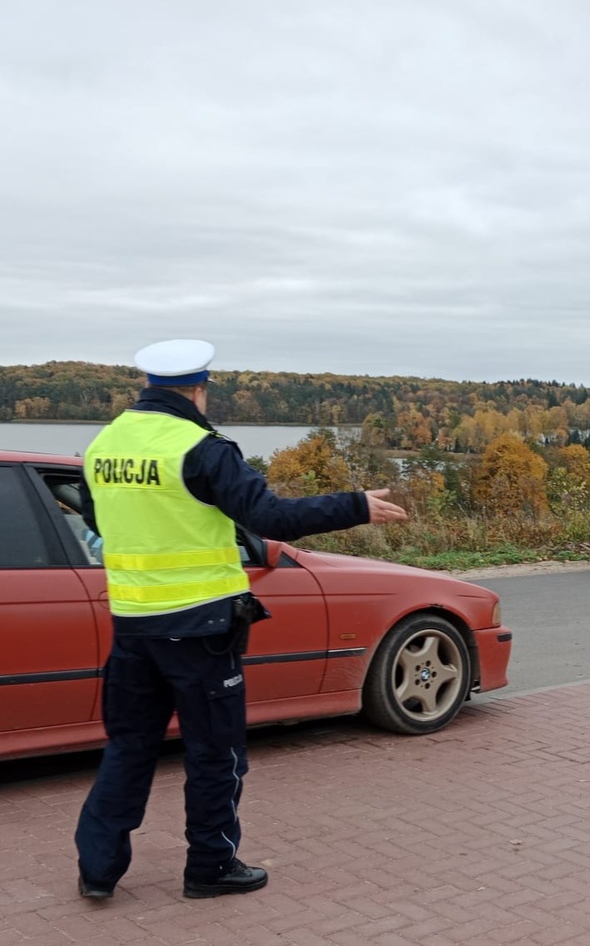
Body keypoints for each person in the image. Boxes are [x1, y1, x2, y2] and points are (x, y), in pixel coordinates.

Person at [75, 339, 408, 901]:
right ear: (199, 389)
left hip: (132, 625)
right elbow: (270, 515)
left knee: (129, 747)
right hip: (201, 630)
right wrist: (354, 505)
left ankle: (98, 869)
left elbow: (94, 513)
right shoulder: (201, 447)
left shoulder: (104, 444)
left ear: (149, 386)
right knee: (215, 754)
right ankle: (211, 866)